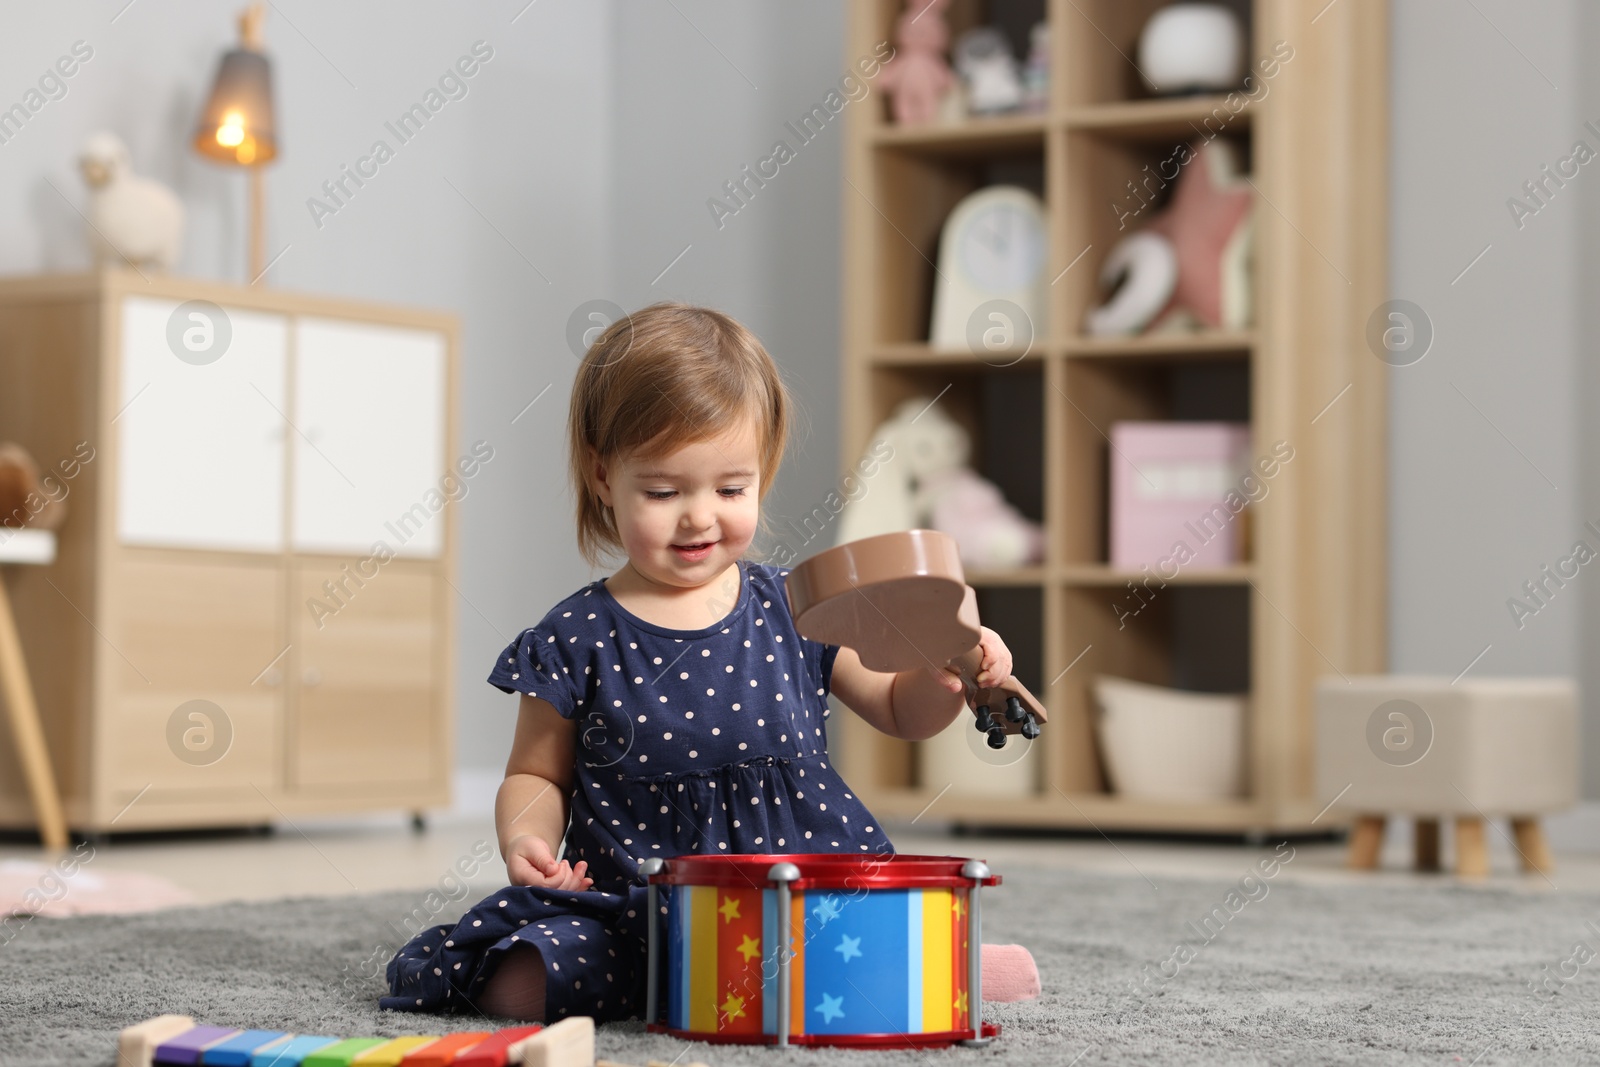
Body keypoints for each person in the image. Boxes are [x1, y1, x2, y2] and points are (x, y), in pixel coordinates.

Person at [384, 302, 1039, 1022]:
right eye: (664, 492)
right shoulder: (574, 635)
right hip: (641, 902)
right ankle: (711, 975)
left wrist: (943, 674)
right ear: (604, 477)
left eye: (731, 489)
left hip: (798, 889)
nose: (700, 516)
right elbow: (536, 772)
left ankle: (896, 963)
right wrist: (527, 839)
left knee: (861, 935)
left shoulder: (797, 605)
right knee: (535, 971)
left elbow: (896, 706)